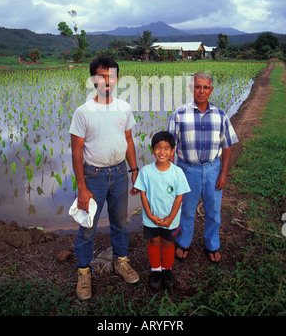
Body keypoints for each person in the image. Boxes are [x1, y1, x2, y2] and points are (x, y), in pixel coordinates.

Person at [69, 56, 140, 300]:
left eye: (110, 76)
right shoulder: (83, 112)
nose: (106, 81)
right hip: (94, 175)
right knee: (88, 226)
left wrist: (134, 170)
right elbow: (76, 151)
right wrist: (81, 187)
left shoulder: (124, 107)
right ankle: (84, 271)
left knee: (120, 222)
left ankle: (121, 261)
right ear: (93, 80)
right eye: (101, 76)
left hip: (120, 172)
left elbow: (128, 140)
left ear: (117, 79)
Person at [167, 72, 238, 264]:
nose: (201, 91)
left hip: (213, 169)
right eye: (198, 86)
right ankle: (184, 242)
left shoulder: (221, 116)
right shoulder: (179, 114)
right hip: (187, 170)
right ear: (192, 88)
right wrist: (172, 173)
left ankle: (212, 244)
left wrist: (223, 173)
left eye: (206, 87)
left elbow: (227, 145)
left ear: (211, 90)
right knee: (187, 210)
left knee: (213, 210)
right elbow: (169, 147)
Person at [134, 131, 190, 291]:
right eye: (158, 148)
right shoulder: (146, 171)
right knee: (154, 241)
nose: (162, 152)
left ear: (173, 151)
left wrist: (171, 217)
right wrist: (150, 215)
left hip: (171, 220)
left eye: (166, 148)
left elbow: (179, 197)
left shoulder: (177, 173)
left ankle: (167, 269)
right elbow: (143, 195)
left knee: (168, 242)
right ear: (152, 149)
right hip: (150, 219)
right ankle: (156, 270)